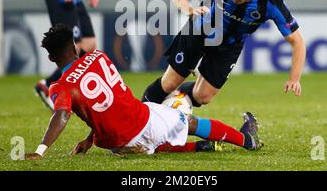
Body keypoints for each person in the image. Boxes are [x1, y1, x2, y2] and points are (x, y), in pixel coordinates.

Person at [25, 24, 261, 159]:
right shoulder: (98, 56)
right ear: (75, 47)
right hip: (144, 121)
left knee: (150, 142)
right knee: (189, 122)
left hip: (115, 144)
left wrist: (85, 141)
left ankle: (200, 147)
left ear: (51, 57)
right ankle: (246, 139)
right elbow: (108, 102)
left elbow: (66, 113)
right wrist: (41, 152)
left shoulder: (61, 86)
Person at [141, 0, 306, 108]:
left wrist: (294, 78)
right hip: (200, 32)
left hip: (229, 46)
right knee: (170, 83)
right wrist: (188, 8)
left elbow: (297, 41)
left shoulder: (271, 1)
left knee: (202, 96)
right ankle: (139, 118)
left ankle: (172, 102)